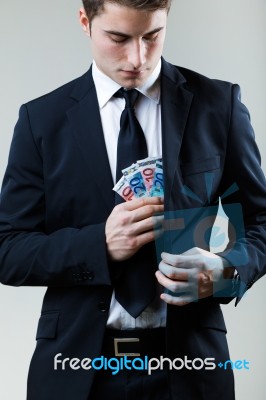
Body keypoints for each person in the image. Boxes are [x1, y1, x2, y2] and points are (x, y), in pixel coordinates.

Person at [0, 0, 265, 399]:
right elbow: (8, 249)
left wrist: (226, 272)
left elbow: (262, 219)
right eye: (118, 38)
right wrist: (98, 246)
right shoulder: (42, 120)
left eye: (152, 36)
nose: (137, 58)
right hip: (76, 372)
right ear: (85, 22)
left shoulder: (218, 105)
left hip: (192, 370)